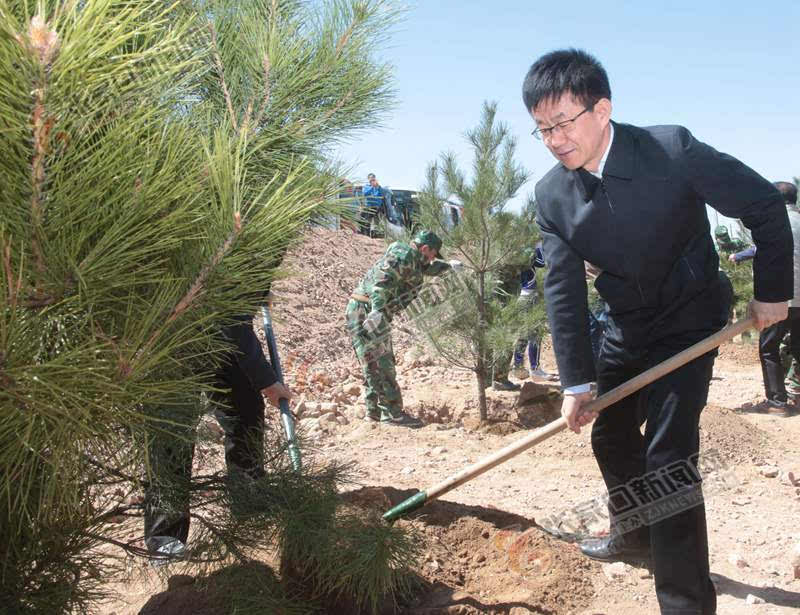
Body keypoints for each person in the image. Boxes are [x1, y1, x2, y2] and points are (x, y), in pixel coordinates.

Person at [523, 48, 791, 615]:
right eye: (542, 129)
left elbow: (765, 206)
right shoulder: (552, 196)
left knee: (669, 455)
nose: (554, 139)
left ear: (602, 109)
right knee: (611, 435)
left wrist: (772, 292)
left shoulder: (671, 150)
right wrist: (576, 383)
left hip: (691, 319)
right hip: (626, 324)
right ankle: (637, 534)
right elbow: (563, 293)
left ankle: (686, 601)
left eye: (564, 122)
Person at [144, 312, 292, 560]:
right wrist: (267, 380)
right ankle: (165, 539)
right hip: (172, 339)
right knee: (170, 436)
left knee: (246, 411)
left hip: (224, 342)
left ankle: (250, 511)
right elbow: (230, 319)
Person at [346, 229, 455, 426]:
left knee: (371, 361)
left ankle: (374, 413)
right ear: (424, 248)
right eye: (432, 254)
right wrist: (377, 311)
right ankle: (393, 414)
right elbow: (381, 283)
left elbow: (425, 269)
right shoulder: (403, 256)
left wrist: (449, 267)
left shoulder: (411, 258)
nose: (432, 259)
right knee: (383, 362)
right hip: (369, 311)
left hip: (362, 309)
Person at [728, 182, 800, 415]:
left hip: (780, 300)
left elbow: (761, 250)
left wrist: (738, 255)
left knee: (768, 348)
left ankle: (777, 403)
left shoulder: (776, 222)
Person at [511, 244, 558, 381]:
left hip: (522, 296)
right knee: (535, 334)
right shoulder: (528, 250)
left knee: (524, 334)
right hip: (529, 296)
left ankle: (518, 366)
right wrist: (539, 247)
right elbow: (541, 263)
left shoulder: (517, 250)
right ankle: (535, 369)